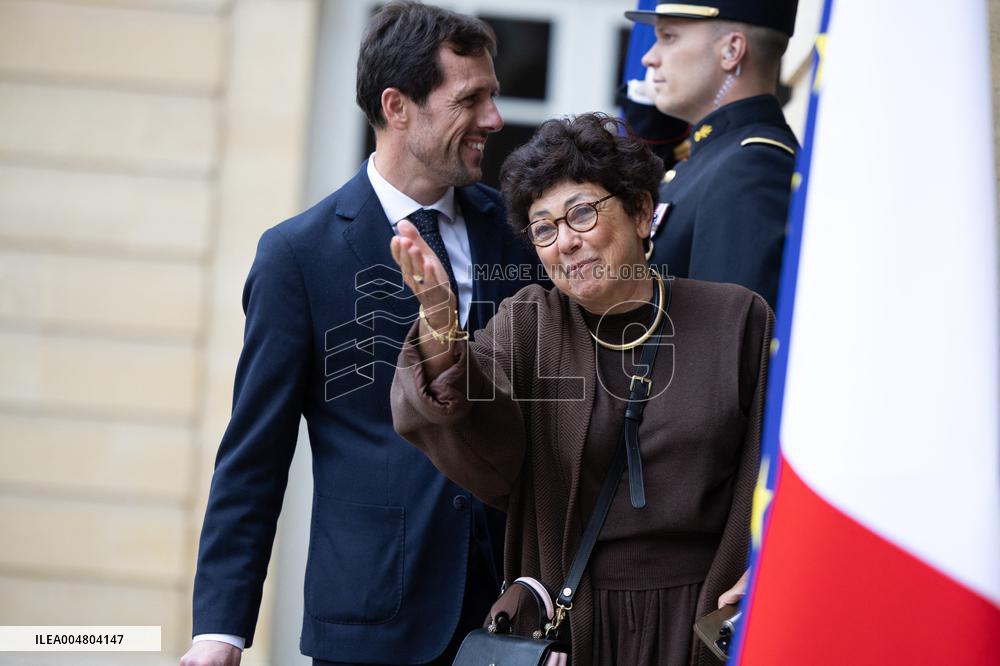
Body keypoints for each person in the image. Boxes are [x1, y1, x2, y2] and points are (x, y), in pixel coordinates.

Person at [180, 2, 542, 665]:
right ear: (397, 106)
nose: (494, 118)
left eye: (493, 95)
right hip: (372, 619)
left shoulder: (517, 234)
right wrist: (220, 630)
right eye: (473, 98)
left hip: (510, 619)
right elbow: (254, 456)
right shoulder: (299, 255)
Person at [389, 113, 772, 666]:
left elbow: (776, 473)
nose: (565, 242)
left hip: (702, 617)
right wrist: (440, 325)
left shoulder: (737, 317)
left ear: (642, 212)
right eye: (543, 229)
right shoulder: (528, 325)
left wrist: (763, 568)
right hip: (570, 629)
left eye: (582, 214)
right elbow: (475, 431)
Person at [625, 0, 800, 308]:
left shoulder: (752, 165)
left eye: (668, 37)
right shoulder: (712, 159)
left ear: (731, 51)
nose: (649, 58)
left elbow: (729, 340)